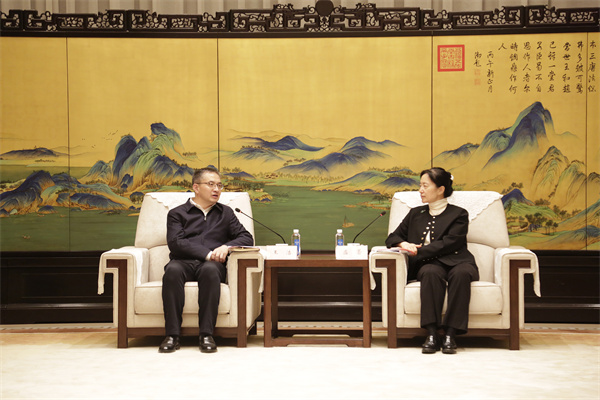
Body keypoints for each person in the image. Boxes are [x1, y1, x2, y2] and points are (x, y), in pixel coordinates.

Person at [159, 167, 254, 353]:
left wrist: (226, 247)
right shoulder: (177, 213)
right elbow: (176, 243)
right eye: (211, 184)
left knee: (210, 270)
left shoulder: (226, 213)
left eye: (219, 185)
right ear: (196, 187)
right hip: (183, 261)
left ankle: (206, 334)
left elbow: (246, 237)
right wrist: (207, 254)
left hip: (212, 265)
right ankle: (172, 335)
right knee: (172, 271)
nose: (216, 189)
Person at [385, 167, 479, 354]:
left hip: (459, 261)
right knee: (430, 273)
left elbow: (450, 243)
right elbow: (392, 238)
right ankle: (431, 333)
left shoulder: (459, 214)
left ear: (441, 189)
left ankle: (451, 334)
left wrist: (418, 251)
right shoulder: (415, 214)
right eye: (420, 185)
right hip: (429, 264)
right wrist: (404, 243)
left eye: (425, 186)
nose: (420, 190)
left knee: (461, 274)